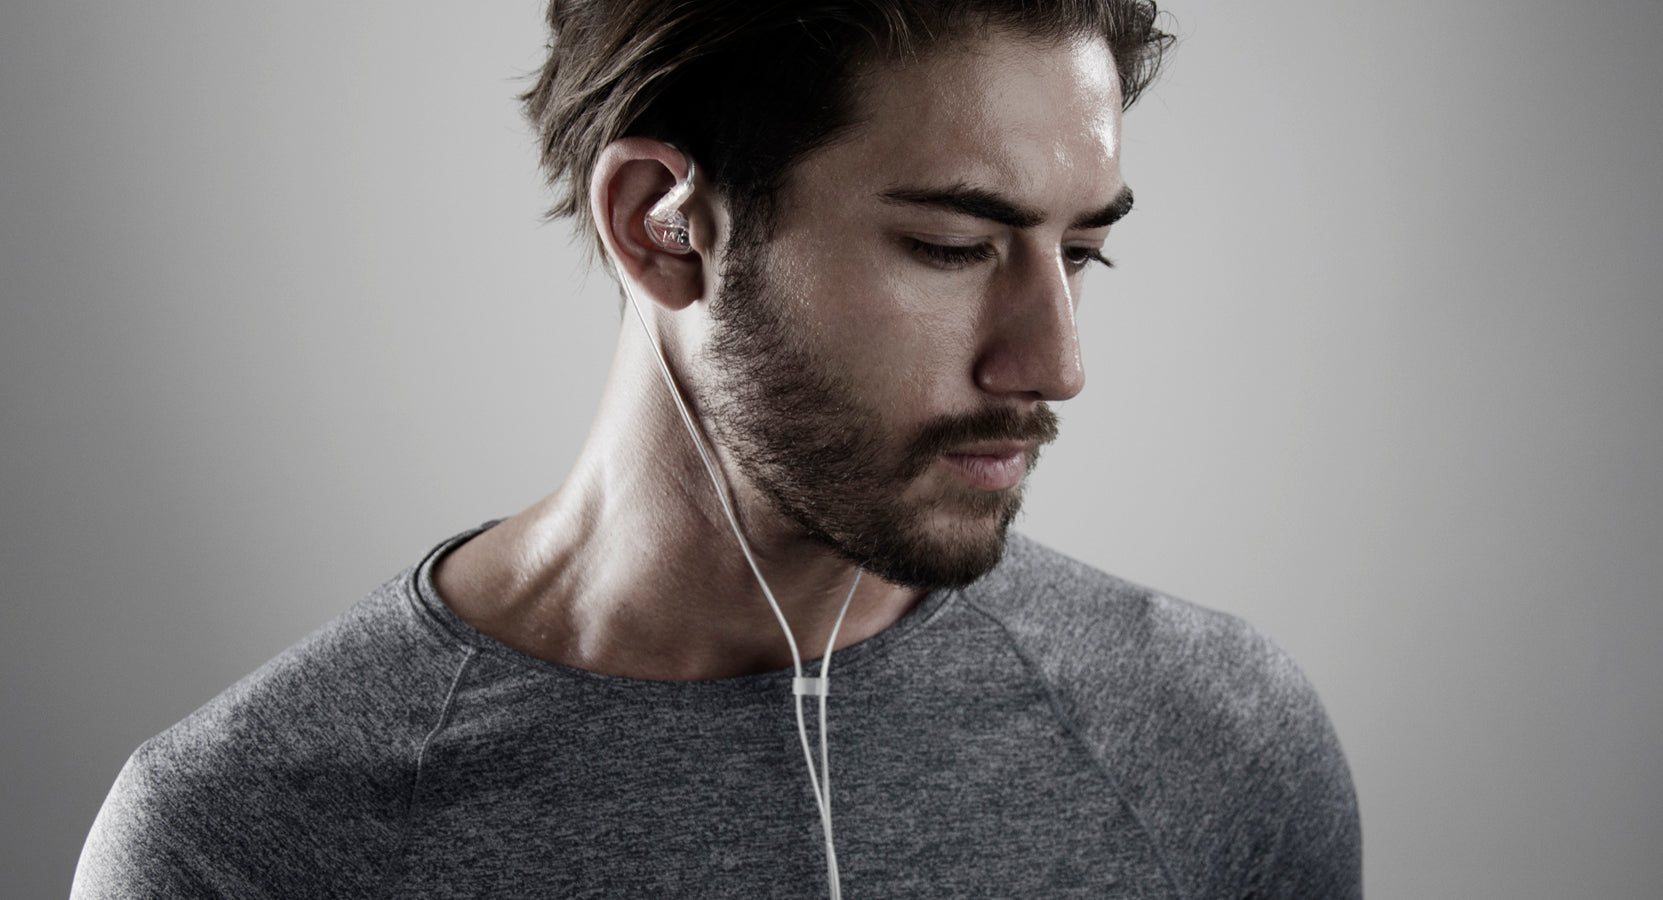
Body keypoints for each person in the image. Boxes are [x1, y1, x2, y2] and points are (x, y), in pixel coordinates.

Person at [73, 1, 1361, 897]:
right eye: (955, 247)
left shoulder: (1213, 744)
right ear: (664, 225)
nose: (1058, 363)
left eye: (1081, 253)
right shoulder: (243, 842)